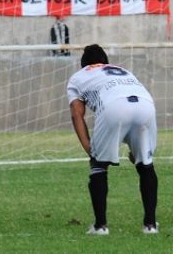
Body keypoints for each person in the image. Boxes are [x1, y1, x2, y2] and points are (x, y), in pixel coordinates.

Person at [67, 44, 158, 235]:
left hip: (113, 107)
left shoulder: (78, 77)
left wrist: (89, 148)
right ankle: (150, 225)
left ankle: (100, 226)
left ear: (84, 65)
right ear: (105, 62)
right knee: (145, 165)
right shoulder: (123, 71)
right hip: (145, 105)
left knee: (98, 166)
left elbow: (77, 114)